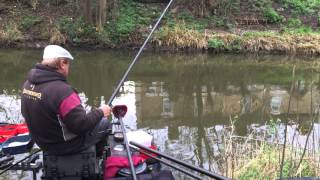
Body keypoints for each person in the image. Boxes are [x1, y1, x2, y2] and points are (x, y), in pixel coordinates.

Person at [21, 45, 111, 156]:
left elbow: (24, 113)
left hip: (42, 143)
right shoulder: (63, 91)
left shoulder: (27, 85)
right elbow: (81, 126)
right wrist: (101, 111)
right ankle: (97, 159)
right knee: (104, 123)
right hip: (65, 146)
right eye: (68, 63)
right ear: (62, 64)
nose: (69, 67)